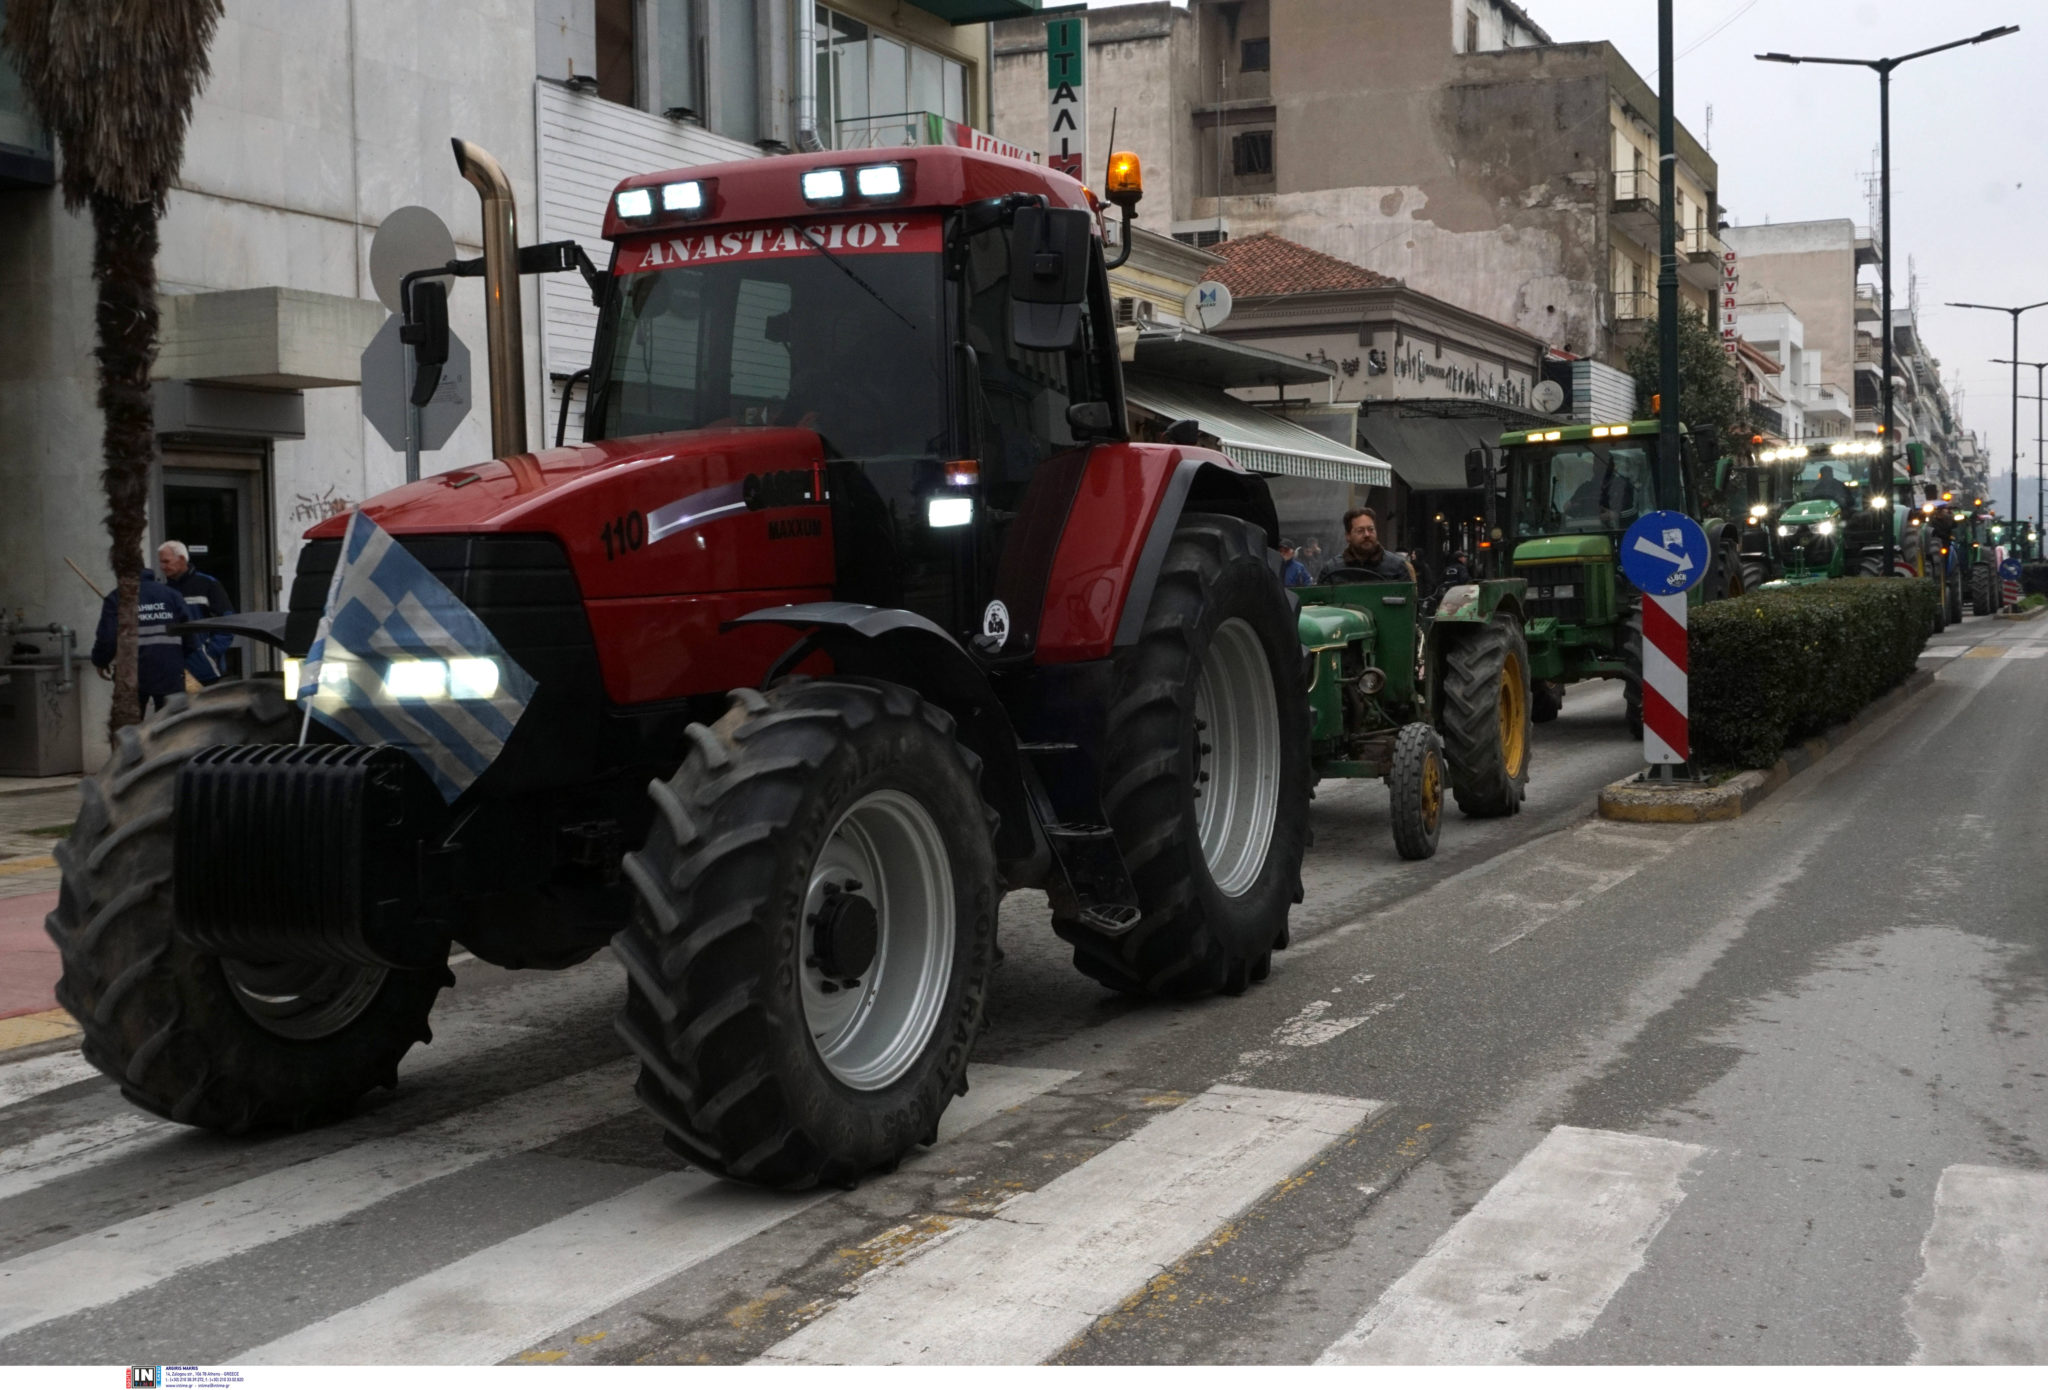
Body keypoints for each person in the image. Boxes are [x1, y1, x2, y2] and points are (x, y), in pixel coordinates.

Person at [89, 569, 197, 713]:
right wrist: (178, 659)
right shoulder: (173, 595)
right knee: (169, 726)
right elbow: (190, 635)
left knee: (129, 729)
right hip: (168, 671)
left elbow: (107, 639)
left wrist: (101, 661)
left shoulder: (117, 597)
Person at [157, 540, 235, 684]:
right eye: (161, 562)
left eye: (166, 562)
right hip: (173, 671)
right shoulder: (163, 591)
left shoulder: (208, 584)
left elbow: (228, 622)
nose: (162, 567)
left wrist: (209, 653)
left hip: (207, 670)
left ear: (181, 559)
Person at [1319, 507, 1416, 583]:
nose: (1367, 535)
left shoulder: (1397, 567)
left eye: (1371, 529)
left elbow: (1410, 605)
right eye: (1360, 531)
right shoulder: (1331, 570)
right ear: (1348, 536)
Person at [1565, 457, 1636, 525]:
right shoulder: (1585, 488)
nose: (1599, 466)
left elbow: (1633, 512)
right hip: (1583, 531)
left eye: (1603, 462)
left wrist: (1613, 515)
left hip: (1616, 533)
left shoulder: (1622, 485)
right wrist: (1569, 507)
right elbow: (1569, 508)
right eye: (1596, 463)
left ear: (1612, 465)